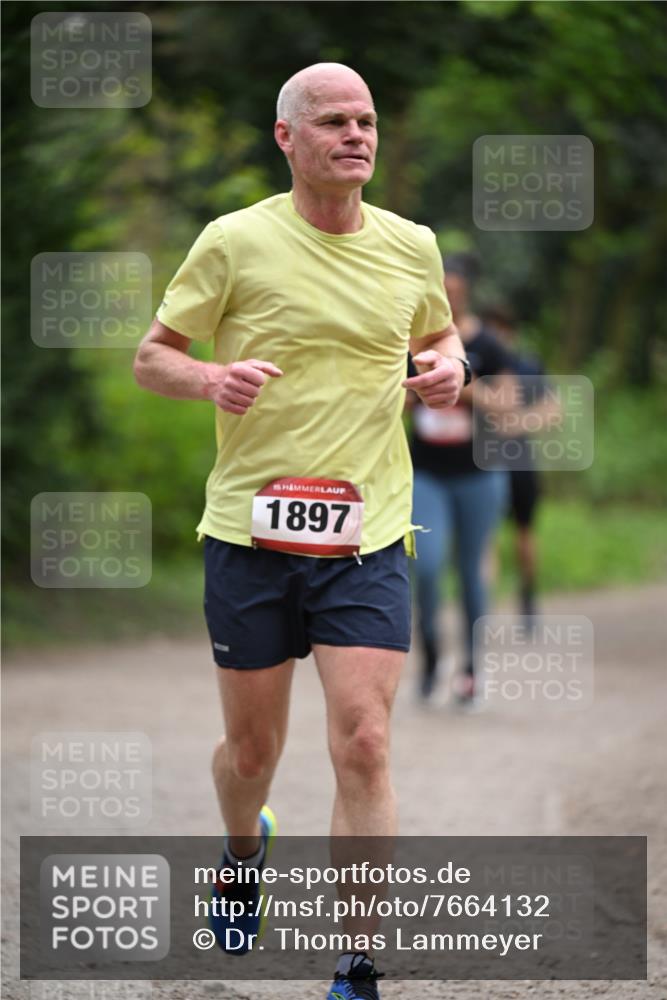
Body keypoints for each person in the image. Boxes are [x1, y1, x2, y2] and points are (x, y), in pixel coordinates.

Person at [133, 62, 467, 1000]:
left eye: (365, 120)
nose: (355, 135)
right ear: (286, 137)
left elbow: (439, 340)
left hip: (365, 535)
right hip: (249, 534)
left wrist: (452, 368)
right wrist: (209, 380)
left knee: (363, 740)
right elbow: (152, 357)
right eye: (332, 121)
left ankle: (356, 964)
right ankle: (244, 853)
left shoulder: (411, 245)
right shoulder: (233, 241)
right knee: (252, 755)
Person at [409, 253, 515, 706]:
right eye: (441, 288)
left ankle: (471, 668)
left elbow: (508, 404)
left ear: (467, 290)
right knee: (427, 567)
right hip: (426, 474)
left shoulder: (488, 345)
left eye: (455, 289)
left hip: (478, 476)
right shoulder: (408, 341)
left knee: (471, 572)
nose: (448, 295)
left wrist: (456, 379)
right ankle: (431, 654)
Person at [481, 303, 547, 628]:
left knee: (524, 534)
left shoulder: (528, 367)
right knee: (486, 536)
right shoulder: (474, 363)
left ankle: (528, 595)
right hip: (482, 461)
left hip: (520, 462)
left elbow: (554, 409)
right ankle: (484, 604)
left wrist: (517, 422)